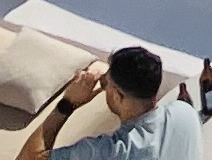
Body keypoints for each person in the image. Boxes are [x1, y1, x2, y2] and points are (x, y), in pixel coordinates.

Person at [17, 46, 202, 160]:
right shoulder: (185, 113)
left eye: (106, 82)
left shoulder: (107, 152)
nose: (103, 85)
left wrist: (67, 104)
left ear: (117, 95)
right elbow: (183, 104)